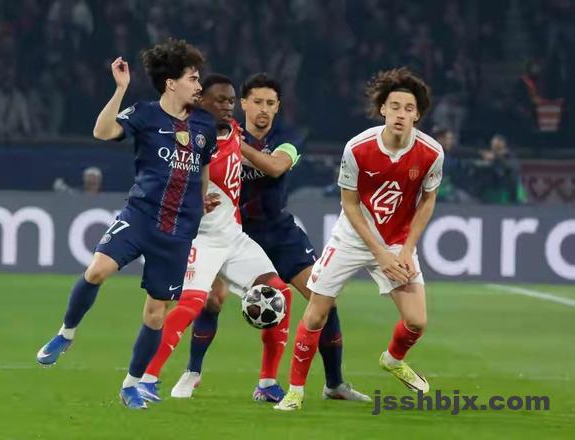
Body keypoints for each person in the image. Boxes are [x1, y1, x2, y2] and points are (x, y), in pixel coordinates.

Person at [35, 38, 218, 410]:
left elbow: (203, 169)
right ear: (171, 83)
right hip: (140, 216)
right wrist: (120, 89)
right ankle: (66, 333)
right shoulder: (145, 114)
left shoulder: (204, 124)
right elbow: (101, 132)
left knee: (155, 313)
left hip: (178, 230)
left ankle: (131, 385)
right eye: (193, 78)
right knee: (97, 270)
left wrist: (202, 201)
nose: (199, 86)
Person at [177, 73, 370, 402]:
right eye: (257, 102)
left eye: (270, 103)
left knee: (324, 298)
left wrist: (235, 144)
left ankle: (334, 384)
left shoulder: (287, 137)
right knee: (213, 299)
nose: (263, 109)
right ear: (244, 104)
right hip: (233, 231)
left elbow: (276, 167)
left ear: (278, 107)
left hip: (278, 232)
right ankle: (192, 372)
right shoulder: (218, 133)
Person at [275, 67, 444, 411]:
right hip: (352, 238)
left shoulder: (431, 153)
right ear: (382, 109)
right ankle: (295, 391)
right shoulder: (358, 148)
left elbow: (428, 201)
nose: (401, 114)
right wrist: (379, 253)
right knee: (316, 314)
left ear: (417, 115)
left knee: (416, 321)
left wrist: (407, 249)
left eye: (408, 108)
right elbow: (349, 204)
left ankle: (393, 359)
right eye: (394, 106)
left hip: (397, 242)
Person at [135, 74, 293, 403]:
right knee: (192, 304)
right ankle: (146, 379)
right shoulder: (188, 143)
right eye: (219, 100)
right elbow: (162, 182)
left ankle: (266, 383)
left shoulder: (233, 130)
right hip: (200, 239)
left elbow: (267, 164)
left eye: (230, 100)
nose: (227, 106)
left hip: (233, 237)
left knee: (279, 293)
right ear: (201, 102)